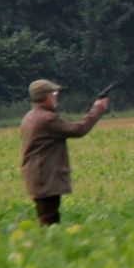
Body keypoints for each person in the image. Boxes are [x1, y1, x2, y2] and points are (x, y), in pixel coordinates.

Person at [20, 79, 109, 226]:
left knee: (47, 216)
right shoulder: (46, 119)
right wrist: (97, 109)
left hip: (37, 175)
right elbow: (78, 130)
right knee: (49, 220)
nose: (56, 97)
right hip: (45, 176)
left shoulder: (30, 116)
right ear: (46, 97)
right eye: (54, 93)